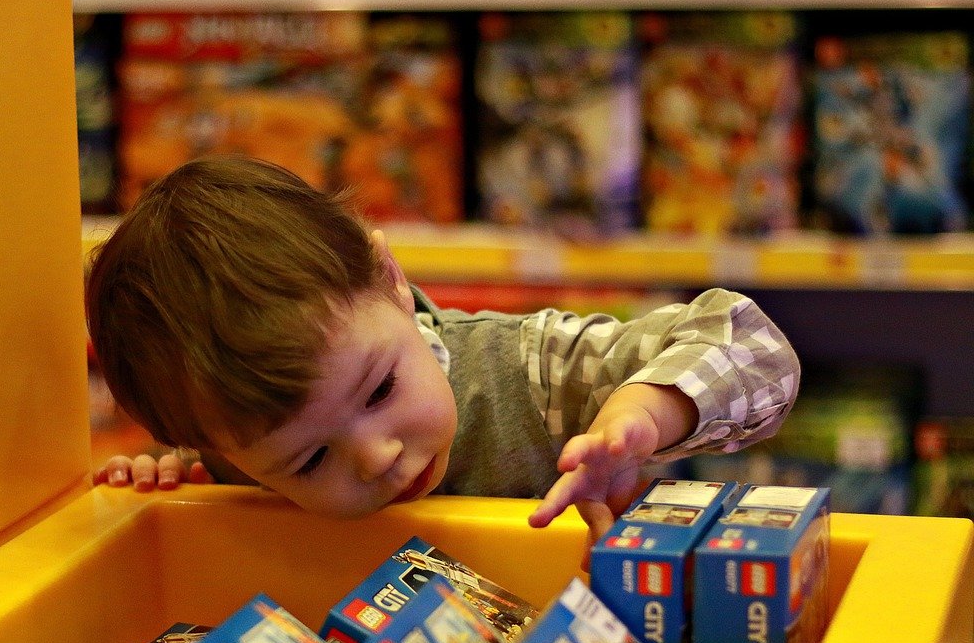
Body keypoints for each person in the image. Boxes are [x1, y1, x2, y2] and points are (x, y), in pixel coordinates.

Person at [85, 155, 799, 543]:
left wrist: (642, 411)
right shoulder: (232, 448)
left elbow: (753, 346)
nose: (376, 455)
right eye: (309, 460)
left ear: (391, 281)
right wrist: (180, 486)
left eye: (379, 391)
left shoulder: (536, 370)